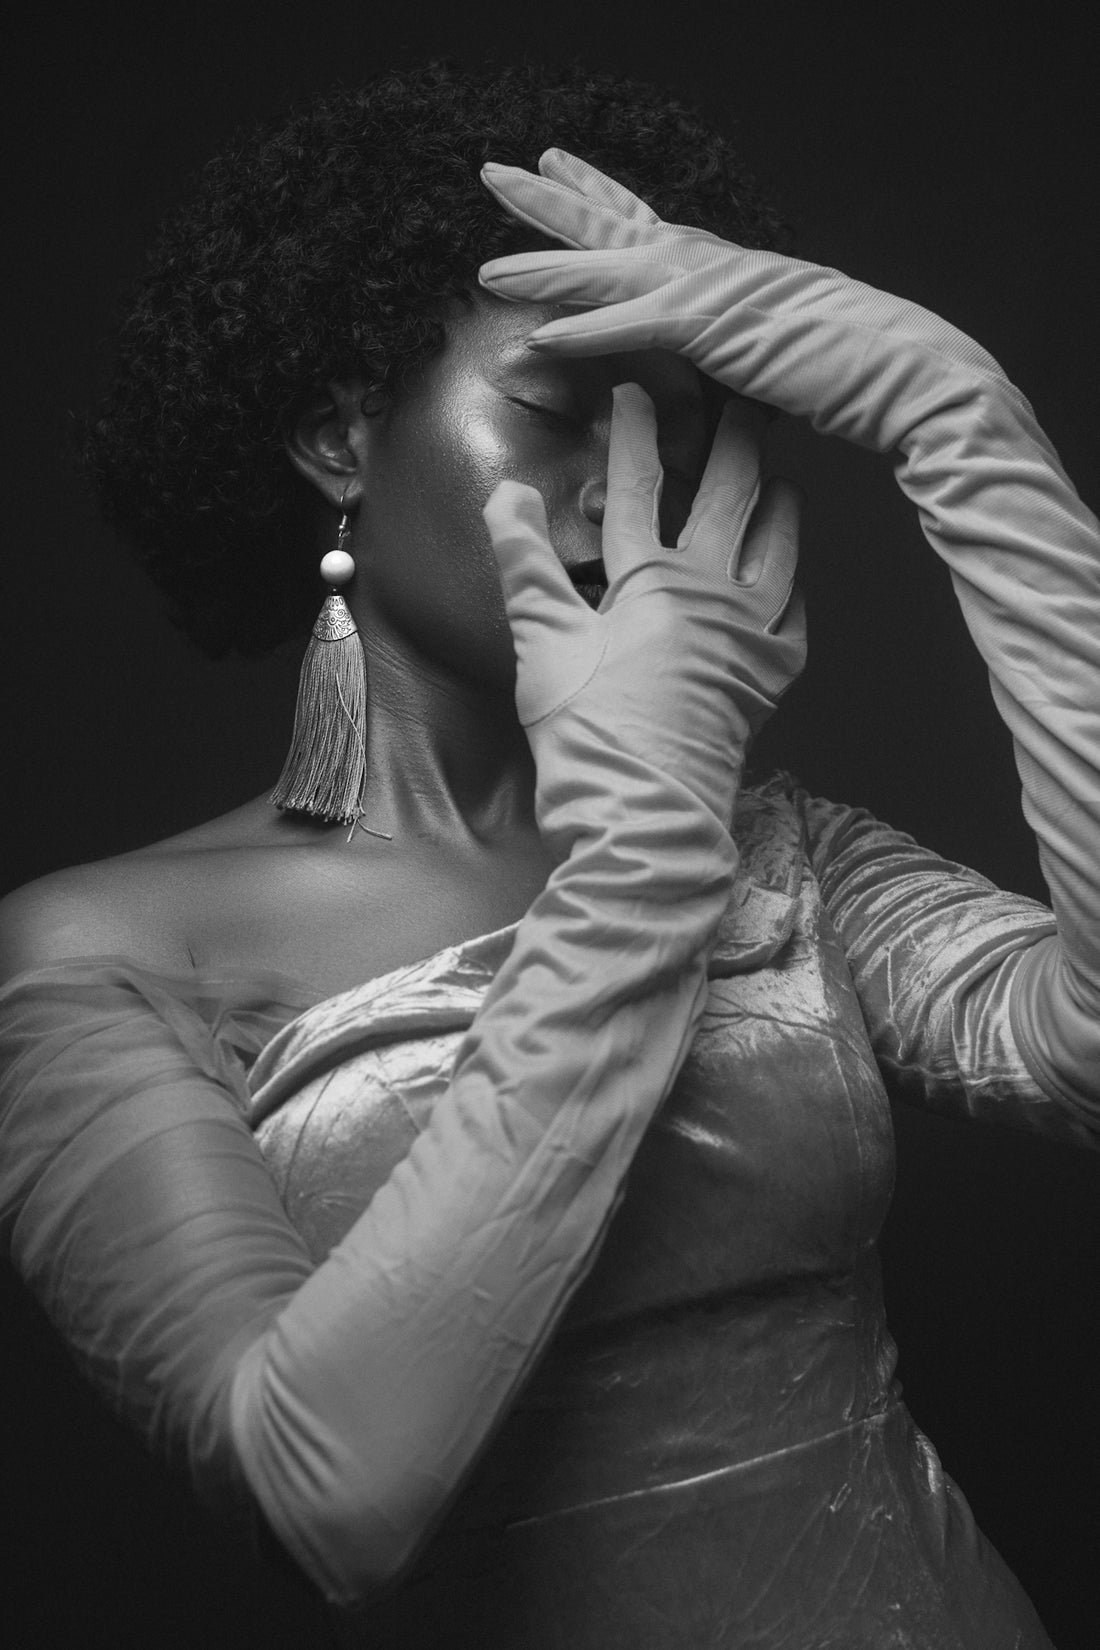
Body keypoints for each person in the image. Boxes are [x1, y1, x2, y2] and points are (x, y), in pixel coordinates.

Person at [0, 59, 1096, 1649]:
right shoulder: (102, 953)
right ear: (335, 434)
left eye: (675, 429)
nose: (620, 485)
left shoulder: (785, 851)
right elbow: (323, 1492)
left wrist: (959, 415)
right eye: (558, 407)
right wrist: (638, 852)